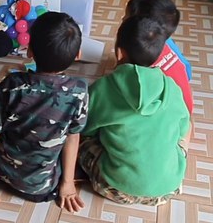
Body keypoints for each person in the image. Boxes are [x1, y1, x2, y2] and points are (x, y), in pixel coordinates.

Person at [0, 12, 87, 212]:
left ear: (29, 50)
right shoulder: (79, 91)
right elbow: (72, 138)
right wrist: (67, 183)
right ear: (78, 55)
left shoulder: (13, 85)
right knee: (77, 145)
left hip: (0, 172)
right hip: (41, 188)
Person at [79, 15, 190, 205]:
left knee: (79, 140)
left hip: (114, 187)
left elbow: (86, 128)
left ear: (120, 53)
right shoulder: (172, 88)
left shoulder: (102, 87)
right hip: (168, 189)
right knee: (181, 130)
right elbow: (182, 130)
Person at [123, 0, 193, 115]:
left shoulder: (142, 56)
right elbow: (186, 70)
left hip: (173, 116)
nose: (123, 19)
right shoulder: (166, 44)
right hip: (184, 111)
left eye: (127, 17)